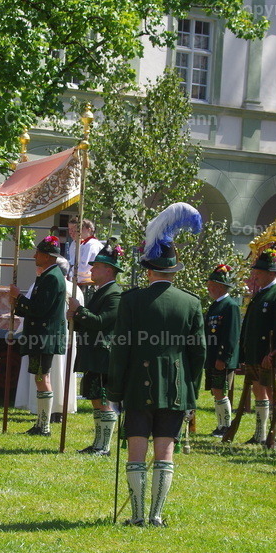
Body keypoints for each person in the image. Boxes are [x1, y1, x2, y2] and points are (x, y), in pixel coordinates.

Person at [108, 221, 204, 527]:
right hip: (176, 388)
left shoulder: (131, 300)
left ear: (149, 270)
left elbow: (120, 349)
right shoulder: (191, 303)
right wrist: (191, 391)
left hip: (138, 385)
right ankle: (156, 515)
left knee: (137, 450)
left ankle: (137, 516)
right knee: (165, 451)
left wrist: (114, 392)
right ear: (173, 272)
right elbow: (198, 353)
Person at [69, 239, 124, 454]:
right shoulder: (100, 291)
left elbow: (101, 322)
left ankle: (105, 446)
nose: (91, 269)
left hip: (103, 355)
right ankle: (98, 443)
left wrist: (80, 311)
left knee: (102, 400)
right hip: (93, 353)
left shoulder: (114, 294)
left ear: (108, 270)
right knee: (94, 397)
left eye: (96, 266)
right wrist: (74, 317)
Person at [9, 235, 67, 436]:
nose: (35, 256)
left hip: (45, 336)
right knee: (40, 378)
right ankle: (41, 424)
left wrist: (19, 297)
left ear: (48, 257)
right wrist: (20, 304)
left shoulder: (52, 277)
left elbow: (40, 309)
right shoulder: (47, 275)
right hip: (41, 336)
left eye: (39, 253)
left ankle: (44, 426)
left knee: (43, 377)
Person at [14, 257, 82, 422]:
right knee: (53, 375)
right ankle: (58, 410)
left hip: (44, 337)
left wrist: (18, 301)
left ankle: (43, 417)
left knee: (42, 376)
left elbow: (34, 309)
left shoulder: (46, 282)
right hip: (64, 338)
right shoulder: (75, 288)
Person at [238, 244, 276, 446]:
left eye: (259, 272)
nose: (255, 276)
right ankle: (260, 434)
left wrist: (274, 351)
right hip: (254, 352)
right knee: (258, 391)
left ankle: (273, 435)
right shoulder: (261, 293)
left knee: (271, 391)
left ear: (270, 273)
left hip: (267, 354)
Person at [203, 264, 241, 439]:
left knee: (221, 390)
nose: (209, 288)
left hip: (222, 358)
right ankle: (220, 425)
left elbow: (231, 334)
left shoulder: (230, 306)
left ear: (220, 286)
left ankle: (225, 426)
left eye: (211, 284)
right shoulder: (215, 306)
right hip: (212, 357)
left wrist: (223, 357)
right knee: (216, 390)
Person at [65, 217, 104, 288]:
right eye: (70, 229)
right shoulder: (75, 243)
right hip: (75, 280)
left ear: (88, 230)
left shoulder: (92, 244)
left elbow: (84, 268)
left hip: (86, 284)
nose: (71, 232)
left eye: (75, 229)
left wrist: (71, 270)